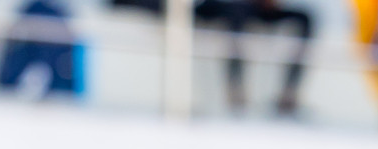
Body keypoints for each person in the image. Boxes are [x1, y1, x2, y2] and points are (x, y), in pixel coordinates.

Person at [110, 0, 313, 115]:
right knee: (236, 12)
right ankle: (235, 90)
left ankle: (288, 94)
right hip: (218, 6)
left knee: (306, 18)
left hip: (252, 8)